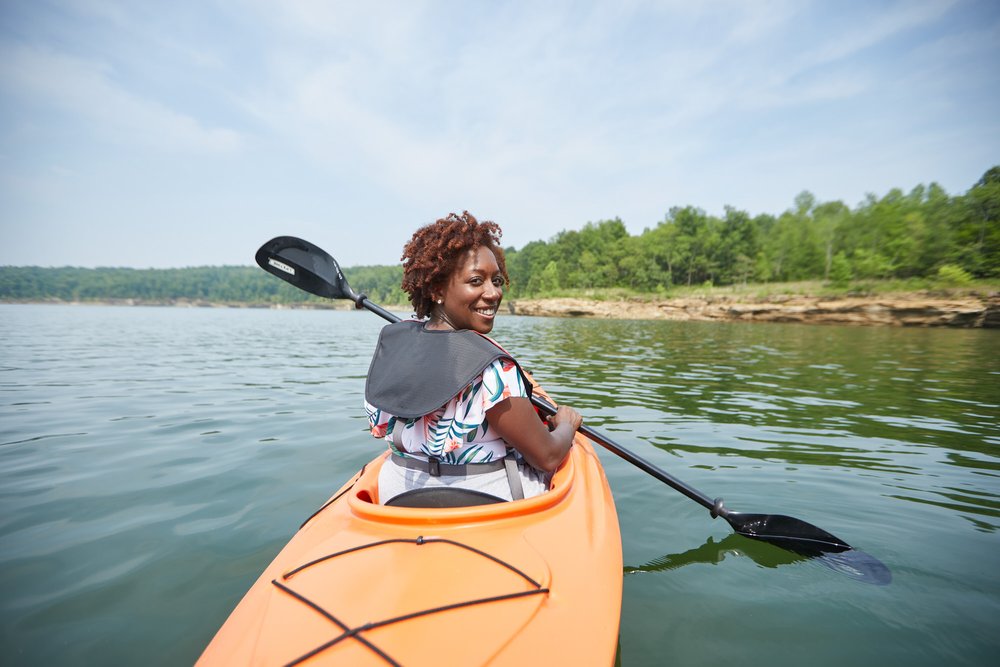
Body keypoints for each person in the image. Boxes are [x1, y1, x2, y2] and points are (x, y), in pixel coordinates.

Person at [364, 211, 583, 505]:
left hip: (397, 495)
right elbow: (547, 456)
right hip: (481, 501)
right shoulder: (493, 370)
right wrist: (567, 424)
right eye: (476, 281)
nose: (493, 293)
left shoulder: (395, 343)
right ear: (437, 289)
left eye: (497, 280)